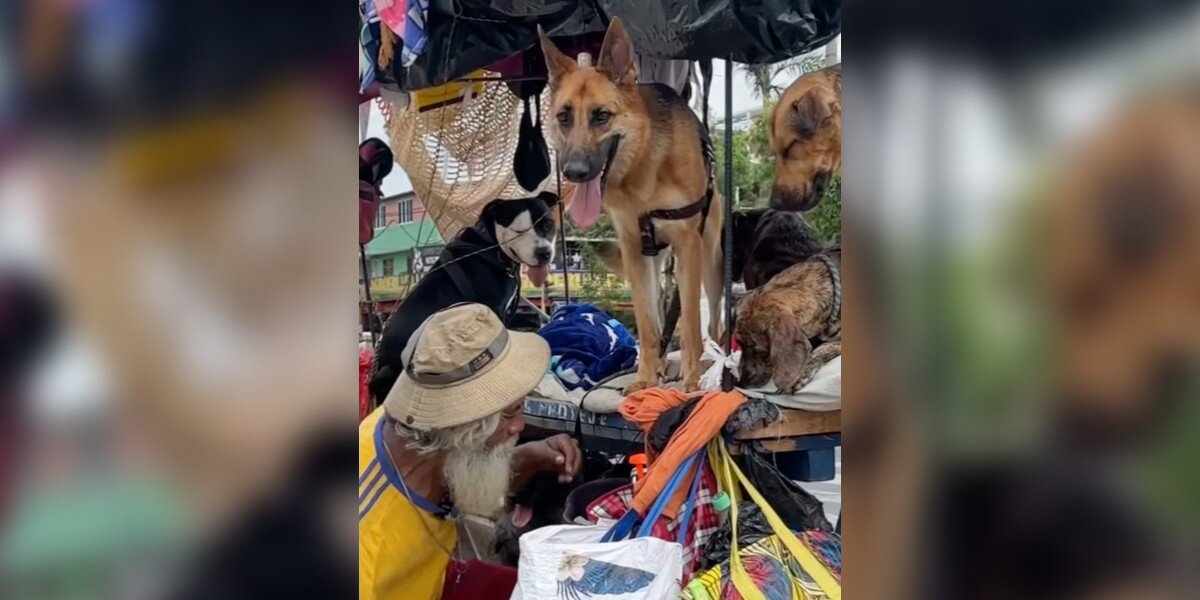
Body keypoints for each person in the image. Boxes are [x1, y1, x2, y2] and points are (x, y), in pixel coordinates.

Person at [358, 303, 581, 600]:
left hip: (436, 578)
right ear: (460, 425)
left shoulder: (407, 431)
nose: (519, 425)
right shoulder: (367, 550)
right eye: (510, 412)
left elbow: (466, 483)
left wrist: (527, 458)